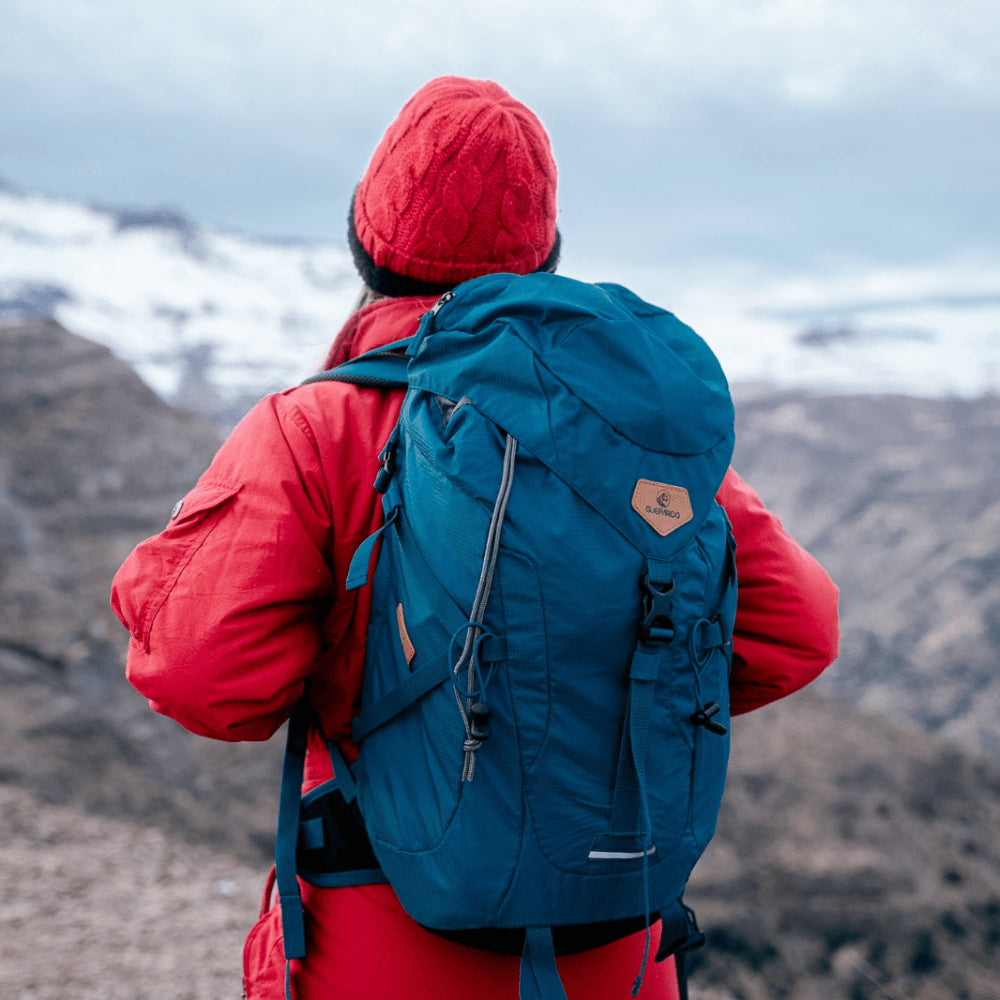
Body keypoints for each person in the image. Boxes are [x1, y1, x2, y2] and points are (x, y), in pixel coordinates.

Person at [110, 76, 839, 1000]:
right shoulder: (625, 437)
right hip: (615, 949)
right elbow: (798, 631)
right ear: (548, 255)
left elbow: (203, 678)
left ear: (363, 243)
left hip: (382, 933)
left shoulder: (318, 428)